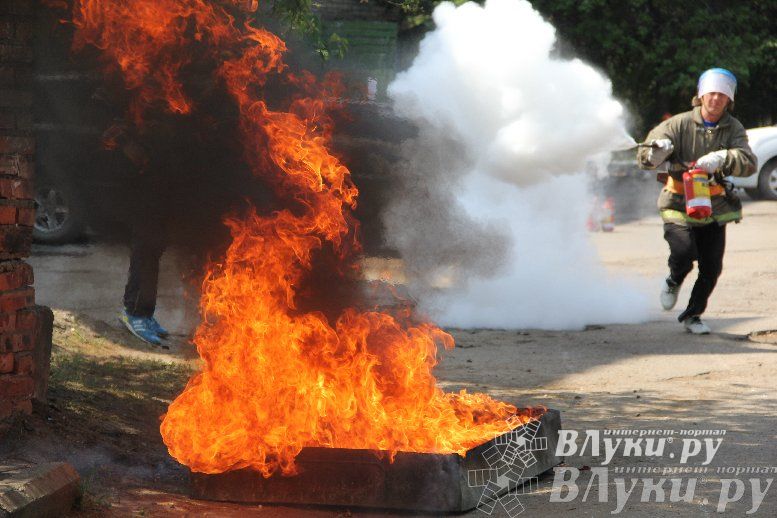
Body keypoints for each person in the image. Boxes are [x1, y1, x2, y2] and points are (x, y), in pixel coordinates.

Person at [637, 68, 757, 334]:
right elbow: (645, 155)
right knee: (683, 252)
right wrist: (657, 152)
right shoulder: (678, 123)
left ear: (729, 100)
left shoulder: (734, 128)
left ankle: (693, 315)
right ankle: (674, 279)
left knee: (712, 266)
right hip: (677, 202)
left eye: (722, 95)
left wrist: (724, 158)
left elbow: (749, 163)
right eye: (711, 94)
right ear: (701, 96)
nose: (716, 99)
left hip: (715, 206)